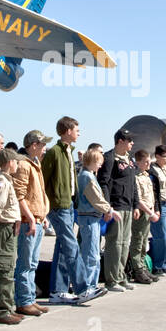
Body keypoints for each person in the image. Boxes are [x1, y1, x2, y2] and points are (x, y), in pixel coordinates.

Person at [42, 117, 82, 304]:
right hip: (58, 206)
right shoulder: (54, 153)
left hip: (69, 205)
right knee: (72, 246)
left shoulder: (68, 152)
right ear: (68, 131)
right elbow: (43, 181)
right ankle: (84, 287)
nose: (78, 133)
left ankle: (58, 290)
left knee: (63, 247)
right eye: (76, 129)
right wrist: (47, 206)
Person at [11, 130, 51, 315]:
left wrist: (43, 215)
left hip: (37, 219)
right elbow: (19, 195)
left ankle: (29, 299)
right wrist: (30, 218)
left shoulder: (34, 164)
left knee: (32, 263)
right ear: (33, 145)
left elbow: (39, 193)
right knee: (25, 263)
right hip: (29, 221)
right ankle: (24, 301)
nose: (45, 148)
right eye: (42, 145)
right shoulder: (24, 165)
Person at [0, 150, 24, 325]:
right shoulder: (2, 181)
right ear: (10, 163)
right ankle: (1, 310)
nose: (17, 165)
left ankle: (8, 307)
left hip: (9, 227)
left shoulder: (7, 181)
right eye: (16, 162)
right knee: (3, 267)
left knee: (9, 267)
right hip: (3, 227)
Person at [97, 128, 138, 291]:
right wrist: (108, 207)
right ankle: (111, 279)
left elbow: (133, 184)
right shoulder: (109, 158)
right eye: (129, 140)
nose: (132, 143)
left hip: (128, 206)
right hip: (116, 206)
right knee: (114, 244)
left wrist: (135, 204)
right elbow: (104, 183)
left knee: (125, 243)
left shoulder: (129, 160)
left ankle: (121, 277)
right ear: (120, 141)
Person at [74, 147, 114, 299]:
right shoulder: (86, 177)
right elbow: (95, 198)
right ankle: (87, 286)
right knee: (90, 254)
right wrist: (108, 209)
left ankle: (92, 284)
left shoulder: (89, 175)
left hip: (93, 217)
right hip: (89, 217)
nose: (100, 165)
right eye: (98, 162)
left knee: (93, 252)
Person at [126, 150, 159, 283]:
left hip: (149, 211)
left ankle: (143, 266)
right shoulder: (136, 176)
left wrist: (154, 210)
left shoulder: (146, 176)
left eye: (149, 161)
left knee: (144, 242)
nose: (148, 163)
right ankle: (137, 269)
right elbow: (138, 199)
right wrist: (149, 212)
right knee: (137, 242)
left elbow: (151, 196)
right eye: (145, 161)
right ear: (138, 162)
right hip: (142, 213)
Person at [148, 145, 166, 275]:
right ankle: (158, 265)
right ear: (157, 156)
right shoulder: (152, 170)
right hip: (160, 205)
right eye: (165, 156)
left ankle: (165, 263)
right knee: (160, 236)